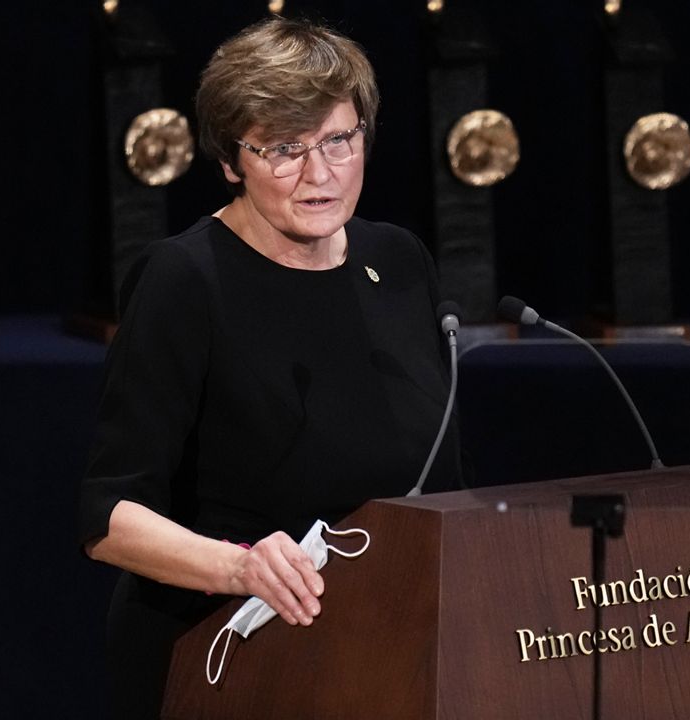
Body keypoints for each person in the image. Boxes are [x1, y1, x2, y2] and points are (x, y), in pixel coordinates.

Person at [77, 15, 462, 719]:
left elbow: (441, 485)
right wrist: (240, 564)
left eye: (339, 141)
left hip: (384, 653)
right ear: (230, 160)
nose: (319, 174)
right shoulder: (184, 281)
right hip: (227, 656)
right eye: (284, 148)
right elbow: (109, 518)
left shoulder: (400, 262)